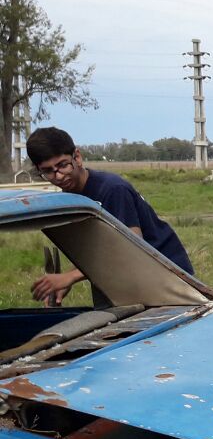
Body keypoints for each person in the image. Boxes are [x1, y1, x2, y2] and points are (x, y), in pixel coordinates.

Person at [26, 126, 195, 306]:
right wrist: (67, 278)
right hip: (123, 279)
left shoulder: (113, 190)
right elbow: (97, 249)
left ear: (77, 157)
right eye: (48, 171)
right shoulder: (71, 198)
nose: (58, 176)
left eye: (63, 165)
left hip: (167, 279)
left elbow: (132, 249)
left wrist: (71, 277)